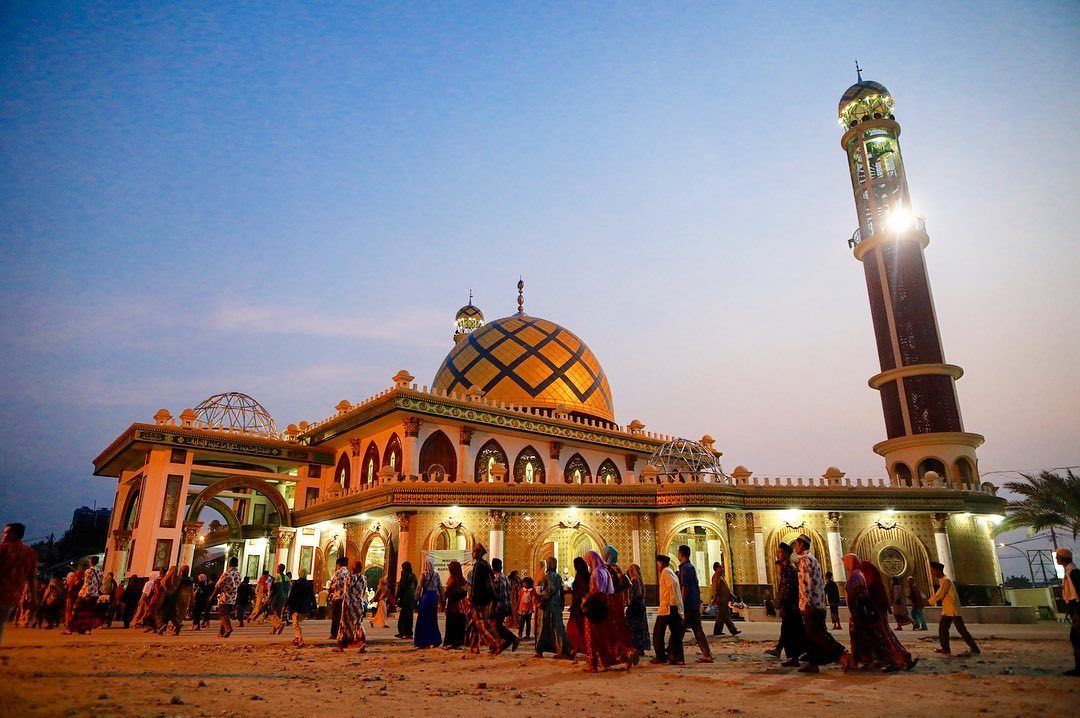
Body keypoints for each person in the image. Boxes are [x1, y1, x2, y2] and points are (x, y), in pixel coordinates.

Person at [839, 554, 917, 672]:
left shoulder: (858, 574)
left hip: (870, 611)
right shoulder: (859, 573)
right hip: (870, 610)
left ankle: (895, 659)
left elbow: (862, 594)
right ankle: (890, 659)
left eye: (845, 563)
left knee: (882, 636)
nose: (844, 566)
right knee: (880, 636)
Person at [792, 534, 846, 672]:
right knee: (813, 635)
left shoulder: (805, 560)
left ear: (802, 545)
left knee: (816, 635)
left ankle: (842, 653)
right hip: (819, 604)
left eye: (796, 545)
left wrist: (807, 604)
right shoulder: (814, 559)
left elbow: (806, 584)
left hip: (811, 605)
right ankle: (813, 663)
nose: (795, 548)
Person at [928, 561, 980, 656]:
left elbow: (940, 594)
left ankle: (975, 649)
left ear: (938, 571)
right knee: (943, 629)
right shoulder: (943, 581)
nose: (932, 573)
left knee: (961, 630)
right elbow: (940, 593)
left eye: (933, 571)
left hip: (953, 610)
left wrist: (930, 601)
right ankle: (945, 648)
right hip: (947, 611)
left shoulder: (946, 581)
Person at [0, 523, 39, 646]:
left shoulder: (3, 549)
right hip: (12, 596)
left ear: (14, 535)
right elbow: (32, 578)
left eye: (6, 532)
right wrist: (34, 598)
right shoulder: (30, 553)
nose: (3, 535)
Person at [676, 545, 713, 662]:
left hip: (688, 604)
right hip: (694, 602)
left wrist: (681, 603)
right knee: (697, 629)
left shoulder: (684, 568)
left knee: (679, 629)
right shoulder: (691, 567)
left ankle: (673, 653)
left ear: (681, 554)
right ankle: (707, 654)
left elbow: (685, 587)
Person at [771, 549, 804, 664]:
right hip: (790, 606)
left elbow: (787, 591)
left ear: (786, 554)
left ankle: (794, 657)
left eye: (780, 552)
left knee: (790, 631)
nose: (778, 554)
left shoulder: (790, 570)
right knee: (788, 630)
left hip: (791, 606)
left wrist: (783, 606)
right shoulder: (788, 569)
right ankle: (786, 652)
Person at [467, 543, 501, 654]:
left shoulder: (478, 565)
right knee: (475, 623)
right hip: (486, 599)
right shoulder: (486, 564)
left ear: (478, 553)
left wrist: (472, 599)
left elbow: (476, 585)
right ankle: (474, 647)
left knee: (481, 624)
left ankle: (496, 643)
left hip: (479, 600)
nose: (473, 553)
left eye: (474, 551)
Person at [651, 554, 684, 665]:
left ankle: (661, 657)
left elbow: (672, 586)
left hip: (667, 607)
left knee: (658, 633)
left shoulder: (666, 572)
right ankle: (678, 658)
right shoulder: (671, 572)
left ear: (661, 563)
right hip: (673, 607)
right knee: (676, 633)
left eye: (658, 564)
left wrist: (672, 602)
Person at [534, 556, 567, 658]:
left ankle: (540, 650)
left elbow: (550, 589)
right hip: (556, 605)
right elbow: (561, 591)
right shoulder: (558, 576)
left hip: (548, 606)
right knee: (556, 628)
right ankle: (561, 650)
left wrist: (541, 597)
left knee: (543, 627)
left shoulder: (548, 575)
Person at [1056, 548, 1080, 676]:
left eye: (1057, 557)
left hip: (1078, 610)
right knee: (1075, 638)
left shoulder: (1073, 573)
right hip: (1075, 610)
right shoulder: (1069, 572)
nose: (1056, 559)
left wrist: (1077, 613)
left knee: (1076, 638)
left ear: (1062, 559)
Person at [335, 560, 367, 652]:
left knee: (344, 625)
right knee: (357, 623)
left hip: (349, 603)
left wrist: (346, 603)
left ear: (353, 568)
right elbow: (364, 592)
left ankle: (341, 645)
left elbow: (346, 591)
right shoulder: (363, 578)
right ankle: (361, 642)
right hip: (359, 603)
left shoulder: (350, 578)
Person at [414, 554, 443, 648]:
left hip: (426, 597)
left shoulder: (423, 574)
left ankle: (423, 642)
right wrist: (443, 599)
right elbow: (441, 588)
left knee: (423, 619)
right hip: (434, 596)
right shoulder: (436, 575)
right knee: (433, 619)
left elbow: (419, 587)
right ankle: (435, 640)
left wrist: (416, 598)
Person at [69, 556, 103, 635]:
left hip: (86, 594)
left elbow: (87, 583)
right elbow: (100, 583)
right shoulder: (100, 572)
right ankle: (87, 629)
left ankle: (71, 629)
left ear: (91, 562)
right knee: (90, 613)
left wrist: (87, 593)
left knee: (76, 610)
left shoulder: (88, 571)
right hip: (95, 594)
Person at [491, 558, 518, 653]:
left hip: (500, 606)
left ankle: (512, 638)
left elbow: (497, 595)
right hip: (506, 605)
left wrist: (493, 607)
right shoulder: (504, 577)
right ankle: (501, 646)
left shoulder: (498, 579)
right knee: (498, 626)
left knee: (498, 626)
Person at [211, 556, 242, 638]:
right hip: (233, 597)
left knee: (222, 614)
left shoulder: (227, 574)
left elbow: (218, 586)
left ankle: (228, 628)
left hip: (225, 597)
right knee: (226, 614)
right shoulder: (239, 574)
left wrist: (212, 596)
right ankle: (222, 632)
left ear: (230, 563)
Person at [565, 556, 590, 658]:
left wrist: (571, 593)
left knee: (574, 628)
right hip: (582, 605)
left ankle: (574, 649)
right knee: (581, 627)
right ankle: (581, 648)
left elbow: (579, 592)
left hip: (578, 606)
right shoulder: (586, 575)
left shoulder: (580, 576)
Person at [159, 565, 194, 636]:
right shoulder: (190, 579)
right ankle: (176, 628)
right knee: (180, 613)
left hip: (177, 597)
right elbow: (191, 590)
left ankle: (173, 626)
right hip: (187, 597)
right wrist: (192, 599)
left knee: (174, 613)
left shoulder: (178, 578)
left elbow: (165, 585)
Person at [286, 568, 316, 647]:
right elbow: (312, 596)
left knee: (295, 623)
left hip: (296, 606)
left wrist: (286, 605)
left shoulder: (296, 583)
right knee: (297, 622)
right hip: (305, 606)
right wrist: (314, 607)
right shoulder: (309, 584)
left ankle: (300, 638)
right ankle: (296, 638)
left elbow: (292, 595)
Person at [626, 563, 651, 654]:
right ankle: (641, 647)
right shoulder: (640, 580)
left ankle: (636, 647)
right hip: (641, 606)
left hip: (635, 607)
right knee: (641, 627)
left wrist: (629, 602)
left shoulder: (633, 580)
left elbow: (633, 595)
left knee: (635, 628)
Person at [443, 559, 469, 648]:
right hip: (461, 607)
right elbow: (467, 588)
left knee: (452, 624)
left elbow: (447, 593)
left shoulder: (452, 580)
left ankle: (452, 642)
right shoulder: (462, 579)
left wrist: (442, 602)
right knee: (459, 624)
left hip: (453, 606)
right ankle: (458, 642)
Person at [711, 562, 740, 636]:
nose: (722, 568)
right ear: (716, 568)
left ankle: (717, 631)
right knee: (726, 616)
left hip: (724, 600)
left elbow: (726, 589)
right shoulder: (716, 577)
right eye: (720, 567)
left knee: (721, 617)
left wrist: (733, 596)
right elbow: (715, 589)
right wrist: (715, 598)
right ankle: (733, 630)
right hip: (721, 600)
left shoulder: (720, 577)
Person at [395, 561, 417, 639]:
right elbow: (416, 586)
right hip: (411, 598)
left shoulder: (405, 575)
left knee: (404, 616)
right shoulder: (413, 575)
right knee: (409, 616)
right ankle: (408, 633)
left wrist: (397, 597)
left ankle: (404, 633)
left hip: (405, 599)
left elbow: (401, 587)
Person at [329, 555, 349, 640]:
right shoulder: (348, 572)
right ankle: (342, 632)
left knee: (336, 616)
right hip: (345, 597)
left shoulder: (338, 572)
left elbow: (335, 584)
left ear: (339, 564)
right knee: (342, 616)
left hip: (337, 596)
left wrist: (331, 588)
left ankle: (334, 633)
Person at [268, 564, 289, 635]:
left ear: (279, 569)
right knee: (279, 613)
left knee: (271, 611)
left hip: (277, 596)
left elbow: (273, 588)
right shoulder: (286, 577)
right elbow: (288, 588)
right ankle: (274, 629)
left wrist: (269, 597)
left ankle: (279, 624)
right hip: (284, 597)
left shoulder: (277, 577)